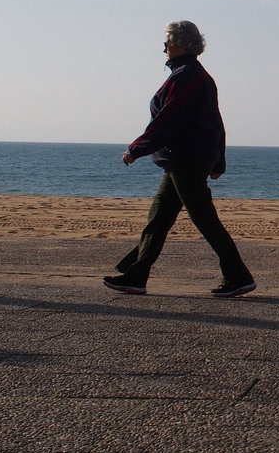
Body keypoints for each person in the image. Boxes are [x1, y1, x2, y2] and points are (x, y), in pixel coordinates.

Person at [103, 21, 257, 297]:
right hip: (183, 160)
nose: (164, 48)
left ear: (183, 44)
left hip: (186, 159)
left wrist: (137, 148)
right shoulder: (194, 75)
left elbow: (169, 119)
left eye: (168, 42)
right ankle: (136, 276)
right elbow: (215, 121)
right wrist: (219, 160)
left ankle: (238, 276)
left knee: (204, 219)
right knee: (159, 219)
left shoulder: (187, 76)